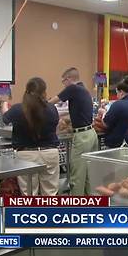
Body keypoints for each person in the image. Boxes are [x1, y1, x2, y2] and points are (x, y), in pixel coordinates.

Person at [1, 77, 60, 196]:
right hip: (50, 153)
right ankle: (50, 214)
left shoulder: (18, 109)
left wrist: (3, 103)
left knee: (29, 194)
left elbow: (5, 118)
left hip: (25, 156)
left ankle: (31, 214)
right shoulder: (52, 109)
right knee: (50, 193)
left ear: (26, 91)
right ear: (44, 92)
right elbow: (55, 126)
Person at [48, 67, 98, 196]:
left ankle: (75, 209)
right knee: (88, 175)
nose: (63, 84)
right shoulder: (84, 90)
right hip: (91, 134)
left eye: (63, 81)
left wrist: (38, 105)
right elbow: (78, 113)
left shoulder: (72, 88)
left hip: (82, 137)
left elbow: (52, 102)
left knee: (77, 175)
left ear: (68, 79)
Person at [99, 76, 128, 148]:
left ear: (121, 92)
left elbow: (106, 124)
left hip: (117, 146)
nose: (117, 96)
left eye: (117, 93)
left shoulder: (118, 105)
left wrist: (103, 112)